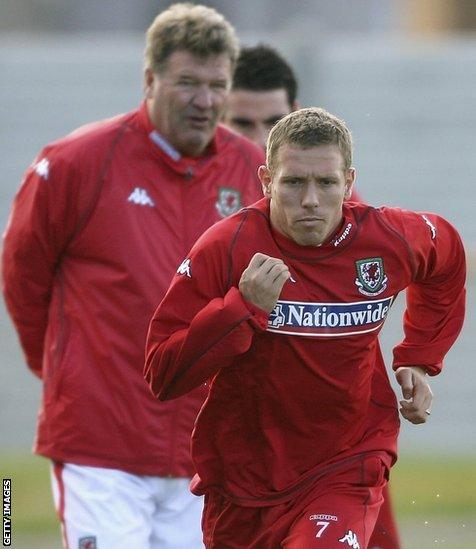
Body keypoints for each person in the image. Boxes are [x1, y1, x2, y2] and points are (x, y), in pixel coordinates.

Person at [1, 4, 264, 548]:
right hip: (102, 446)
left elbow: (336, 236)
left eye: (217, 85)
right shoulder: (76, 163)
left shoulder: (255, 172)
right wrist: (63, 370)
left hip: (206, 450)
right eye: (187, 82)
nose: (205, 100)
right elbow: (23, 279)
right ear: (150, 80)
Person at [145, 107, 466, 548]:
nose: (311, 199)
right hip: (244, 480)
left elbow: (446, 255)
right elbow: (163, 373)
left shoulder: (389, 238)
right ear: (266, 180)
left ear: (348, 182)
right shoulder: (228, 247)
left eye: (327, 183)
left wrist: (420, 357)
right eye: (294, 182)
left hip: (347, 462)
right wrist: (241, 309)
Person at [225, 44, 397, 548]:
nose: (257, 139)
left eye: (271, 122)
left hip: (331, 440)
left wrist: (421, 360)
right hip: (226, 437)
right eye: (241, 124)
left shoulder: (330, 208)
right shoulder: (198, 211)